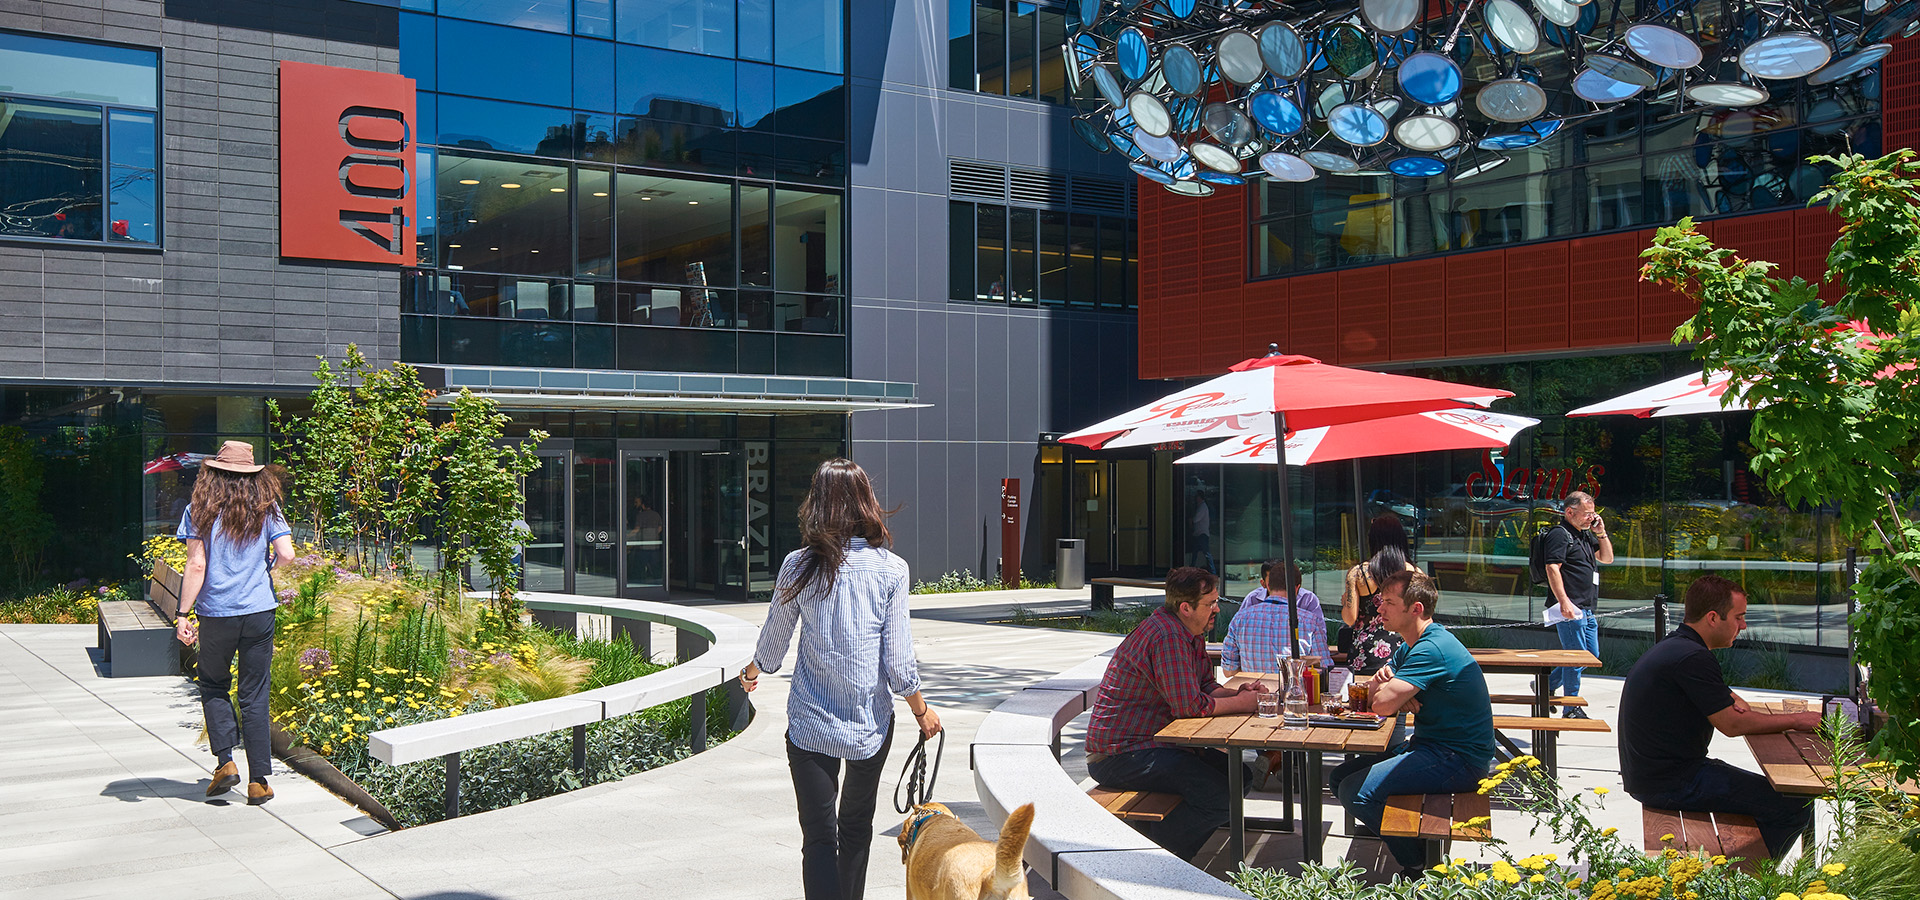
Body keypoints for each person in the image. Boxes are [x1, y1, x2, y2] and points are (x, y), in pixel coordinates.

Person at [739, 459, 942, 900]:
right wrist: (922, 713)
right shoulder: (892, 570)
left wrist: (750, 673)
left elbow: (772, 647)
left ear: (818, 505)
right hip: (869, 724)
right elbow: (899, 664)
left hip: (811, 724)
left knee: (817, 837)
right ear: (866, 503)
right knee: (855, 829)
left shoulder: (798, 566)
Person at [1618, 575, 1818, 857]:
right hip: (1671, 782)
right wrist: (1798, 720)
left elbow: (1733, 702)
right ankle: (1742, 881)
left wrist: (1736, 707)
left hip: (1655, 775)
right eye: (1739, 617)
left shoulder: (1680, 646)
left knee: (1781, 799)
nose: (1743, 626)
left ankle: (1742, 869)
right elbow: (1733, 724)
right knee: (1794, 806)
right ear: (1713, 618)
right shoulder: (1693, 657)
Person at [1085, 566, 1265, 861]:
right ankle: (1151, 855)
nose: (1217, 609)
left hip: (1152, 744)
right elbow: (1190, 707)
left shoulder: (1189, 631)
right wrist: (1245, 704)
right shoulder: (1167, 636)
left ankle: (1170, 851)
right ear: (1186, 607)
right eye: (1210, 603)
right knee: (1221, 796)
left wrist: (1239, 693)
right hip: (1119, 755)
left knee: (1238, 777)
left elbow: (1205, 687)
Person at [1329, 569, 1495, 875]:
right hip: (1432, 748)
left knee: (1356, 792)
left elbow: (1379, 703)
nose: (1379, 608)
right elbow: (1372, 696)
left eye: (1389, 602)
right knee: (1339, 779)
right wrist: (1390, 692)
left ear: (1415, 608)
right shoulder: (1411, 645)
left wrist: (1391, 695)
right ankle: (1418, 850)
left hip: (1459, 760)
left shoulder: (1431, 648)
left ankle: (1419, 864)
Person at [172, 440, 295, 806]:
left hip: (217, 614)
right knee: (254, 694)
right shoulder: (266, 507)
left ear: (213, 474)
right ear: (254, 475)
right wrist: (265, 571)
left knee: (213, 684)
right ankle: (259, 782)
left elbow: (196, 565)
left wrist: (182, 615)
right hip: (259, 611)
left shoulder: (199, 509)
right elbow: (287, 554)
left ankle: (225, 763)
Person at [1542, 491, 1613, 716]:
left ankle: (1547, 685)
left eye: (1593, 514)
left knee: (1589, 655)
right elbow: (1552, 568)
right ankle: (1571, 707)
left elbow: (1607, 558)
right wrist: (1564, 602)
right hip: (1570, 608)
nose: (1590, 519)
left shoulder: (1584, 534)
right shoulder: (1560, 534)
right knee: (1575, 657)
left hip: (1587, 607)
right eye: (1586, 514)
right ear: (1569, 512)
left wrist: (1601, 533)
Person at [1340, 516, 1419, 675]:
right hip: (1403, 652)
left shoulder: (1358, 573)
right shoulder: (1413, 573)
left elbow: (1349, 618)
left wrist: (1345, 603)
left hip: (1365, 653)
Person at [1222, 559, 1329, 674]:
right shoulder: (1310, 621)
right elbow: (1323, 666)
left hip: (1254, 689)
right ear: (1296, 588)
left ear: (1267, 585)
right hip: (1294, 690)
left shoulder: (1240, 618)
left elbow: (1229, 671)